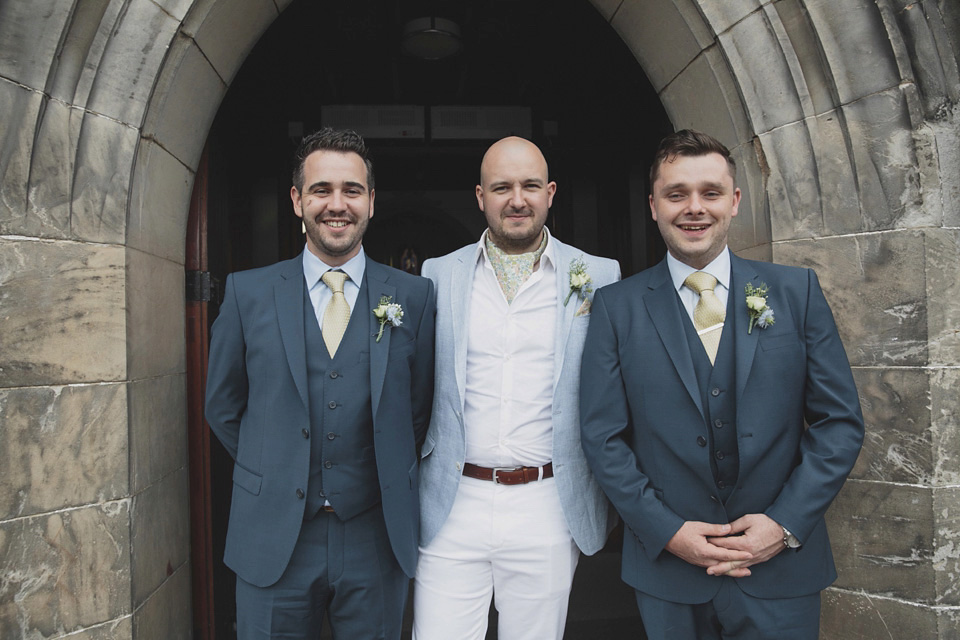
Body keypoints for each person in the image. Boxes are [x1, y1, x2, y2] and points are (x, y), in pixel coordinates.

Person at [579, 129, 864, 639]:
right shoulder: (616, 308)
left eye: (710, 193)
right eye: (676, 194)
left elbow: (839, 423)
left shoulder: (795, 293)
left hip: (782, 570)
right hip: (669, 572)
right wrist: (667, 532)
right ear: (653, 206)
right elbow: (603, 437)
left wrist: (783, 524)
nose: (694, 208)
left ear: (734, 201)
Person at [204, 127, 435, 639]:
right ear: (296, 200)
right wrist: (274, 463)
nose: (337, 204)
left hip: (374, 536)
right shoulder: (249, 293)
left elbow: (419, 409)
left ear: (371, 201)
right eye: (321, 190)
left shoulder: (415, 298)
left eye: (352, 190)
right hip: (272, 536)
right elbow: (221, 404)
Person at [413, 136, 621, 640]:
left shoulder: (598, 276)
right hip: (451, 498)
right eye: (501, 187)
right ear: (480, 196)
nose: (517, 199)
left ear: (550, 193)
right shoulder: (437, 276)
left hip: (547, 500)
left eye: (530, 185)